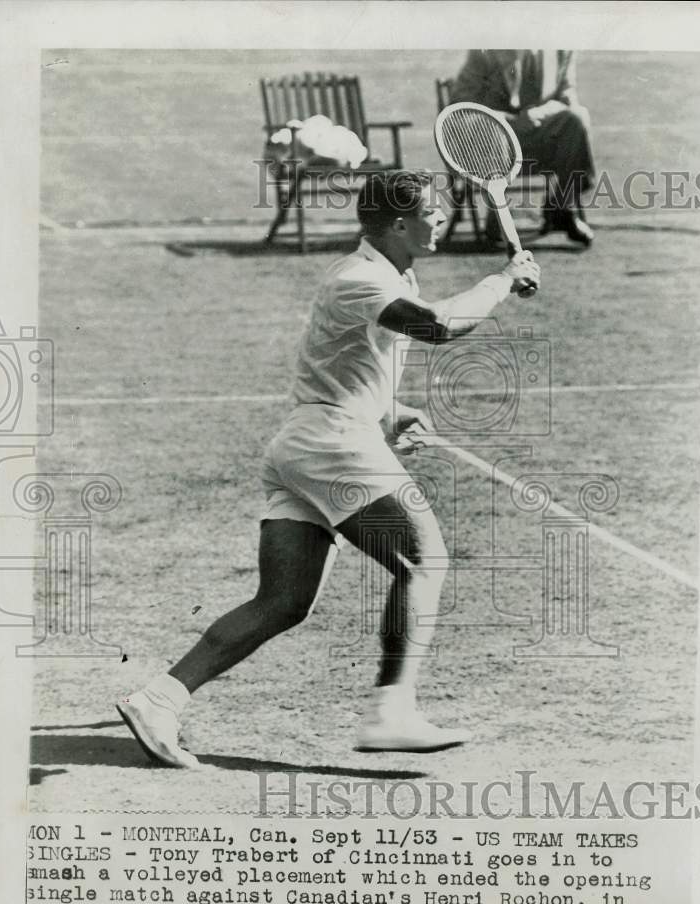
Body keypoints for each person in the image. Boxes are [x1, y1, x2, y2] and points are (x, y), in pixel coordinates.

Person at [117, 170, 541, 767]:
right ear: (399, 224)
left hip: (311, 442)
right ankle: (392, 712)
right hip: (330, 446)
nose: (443, 219)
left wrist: (389, 412)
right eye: (434, 212)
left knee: (283, 601)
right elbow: (438, 326)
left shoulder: (388, 274)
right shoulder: (360, 279)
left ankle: (158, 699)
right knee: (424, 559)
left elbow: (340, 364)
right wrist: (503, 278)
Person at [451, 49, 595, 245]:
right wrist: (507, 120)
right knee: (495, 131)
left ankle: (560, 207)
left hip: (540, 136)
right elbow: (461, 102)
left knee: (577, 118)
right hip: (492, 141)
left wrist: (537, 114)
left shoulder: (561, 48)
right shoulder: (486, 51)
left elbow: (567, 99)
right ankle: (499, 215)